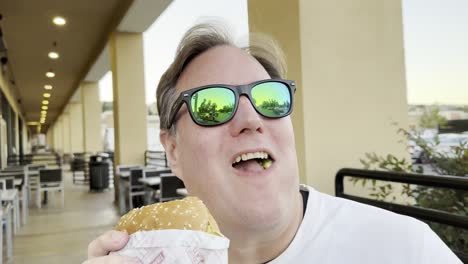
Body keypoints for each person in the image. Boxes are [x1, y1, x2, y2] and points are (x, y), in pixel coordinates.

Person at [85, 23, 461, 264]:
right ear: (173, 151)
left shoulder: (404, 249)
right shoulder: (150, 255)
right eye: (212, 105)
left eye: (270, 99)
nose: (251, 119)